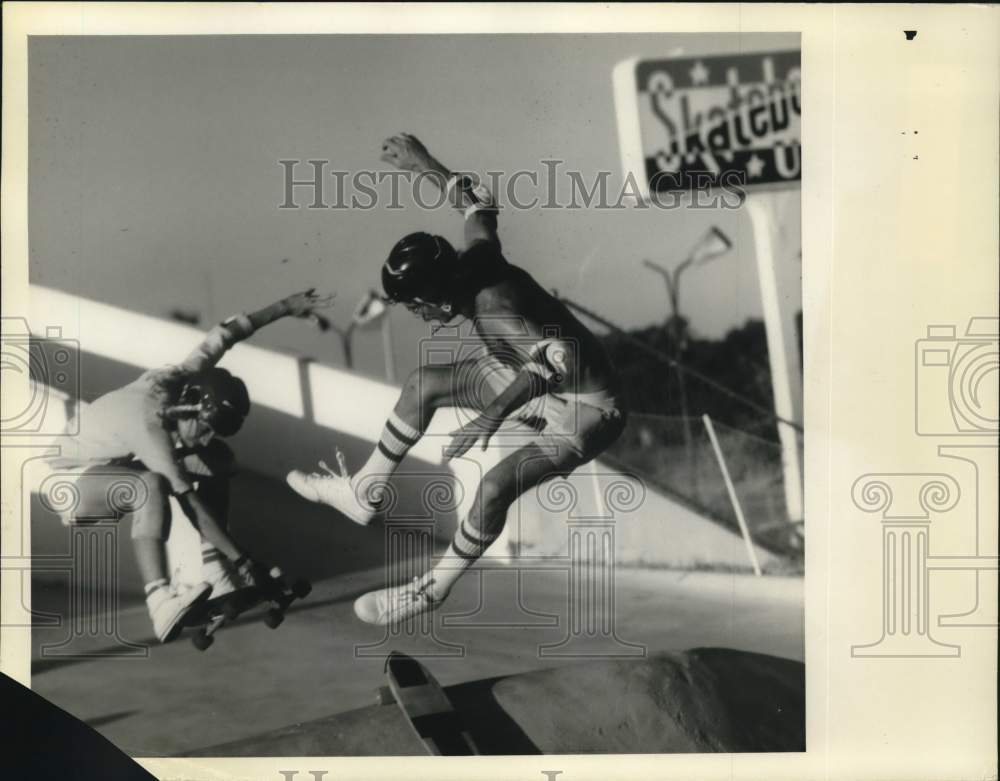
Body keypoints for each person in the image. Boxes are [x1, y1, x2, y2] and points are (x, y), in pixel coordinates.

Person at [287, 134, 625, 625]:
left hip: (587, 409)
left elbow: (556, 366)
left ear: (440, 300)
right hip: (531, 370)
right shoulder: (476, 258)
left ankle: (431, 589)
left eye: (415, 307)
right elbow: (478, 202)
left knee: (493, 486)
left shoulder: (497, 314)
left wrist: (488, 420)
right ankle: (366, 489)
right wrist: (422, 162)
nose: (415, 315)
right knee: (423, 383)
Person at [47, 289, 333, 642]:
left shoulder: (184, 382)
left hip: (111, 463)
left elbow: (223, 336)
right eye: (206, 426)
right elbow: (191, 506)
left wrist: (286, 307)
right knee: (150, 485)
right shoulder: (148, 427)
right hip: (68, 481)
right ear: (190, 408)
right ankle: (159, 601)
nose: (206, 436)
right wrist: (245, 560)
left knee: (217, 458)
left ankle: (214, 570)